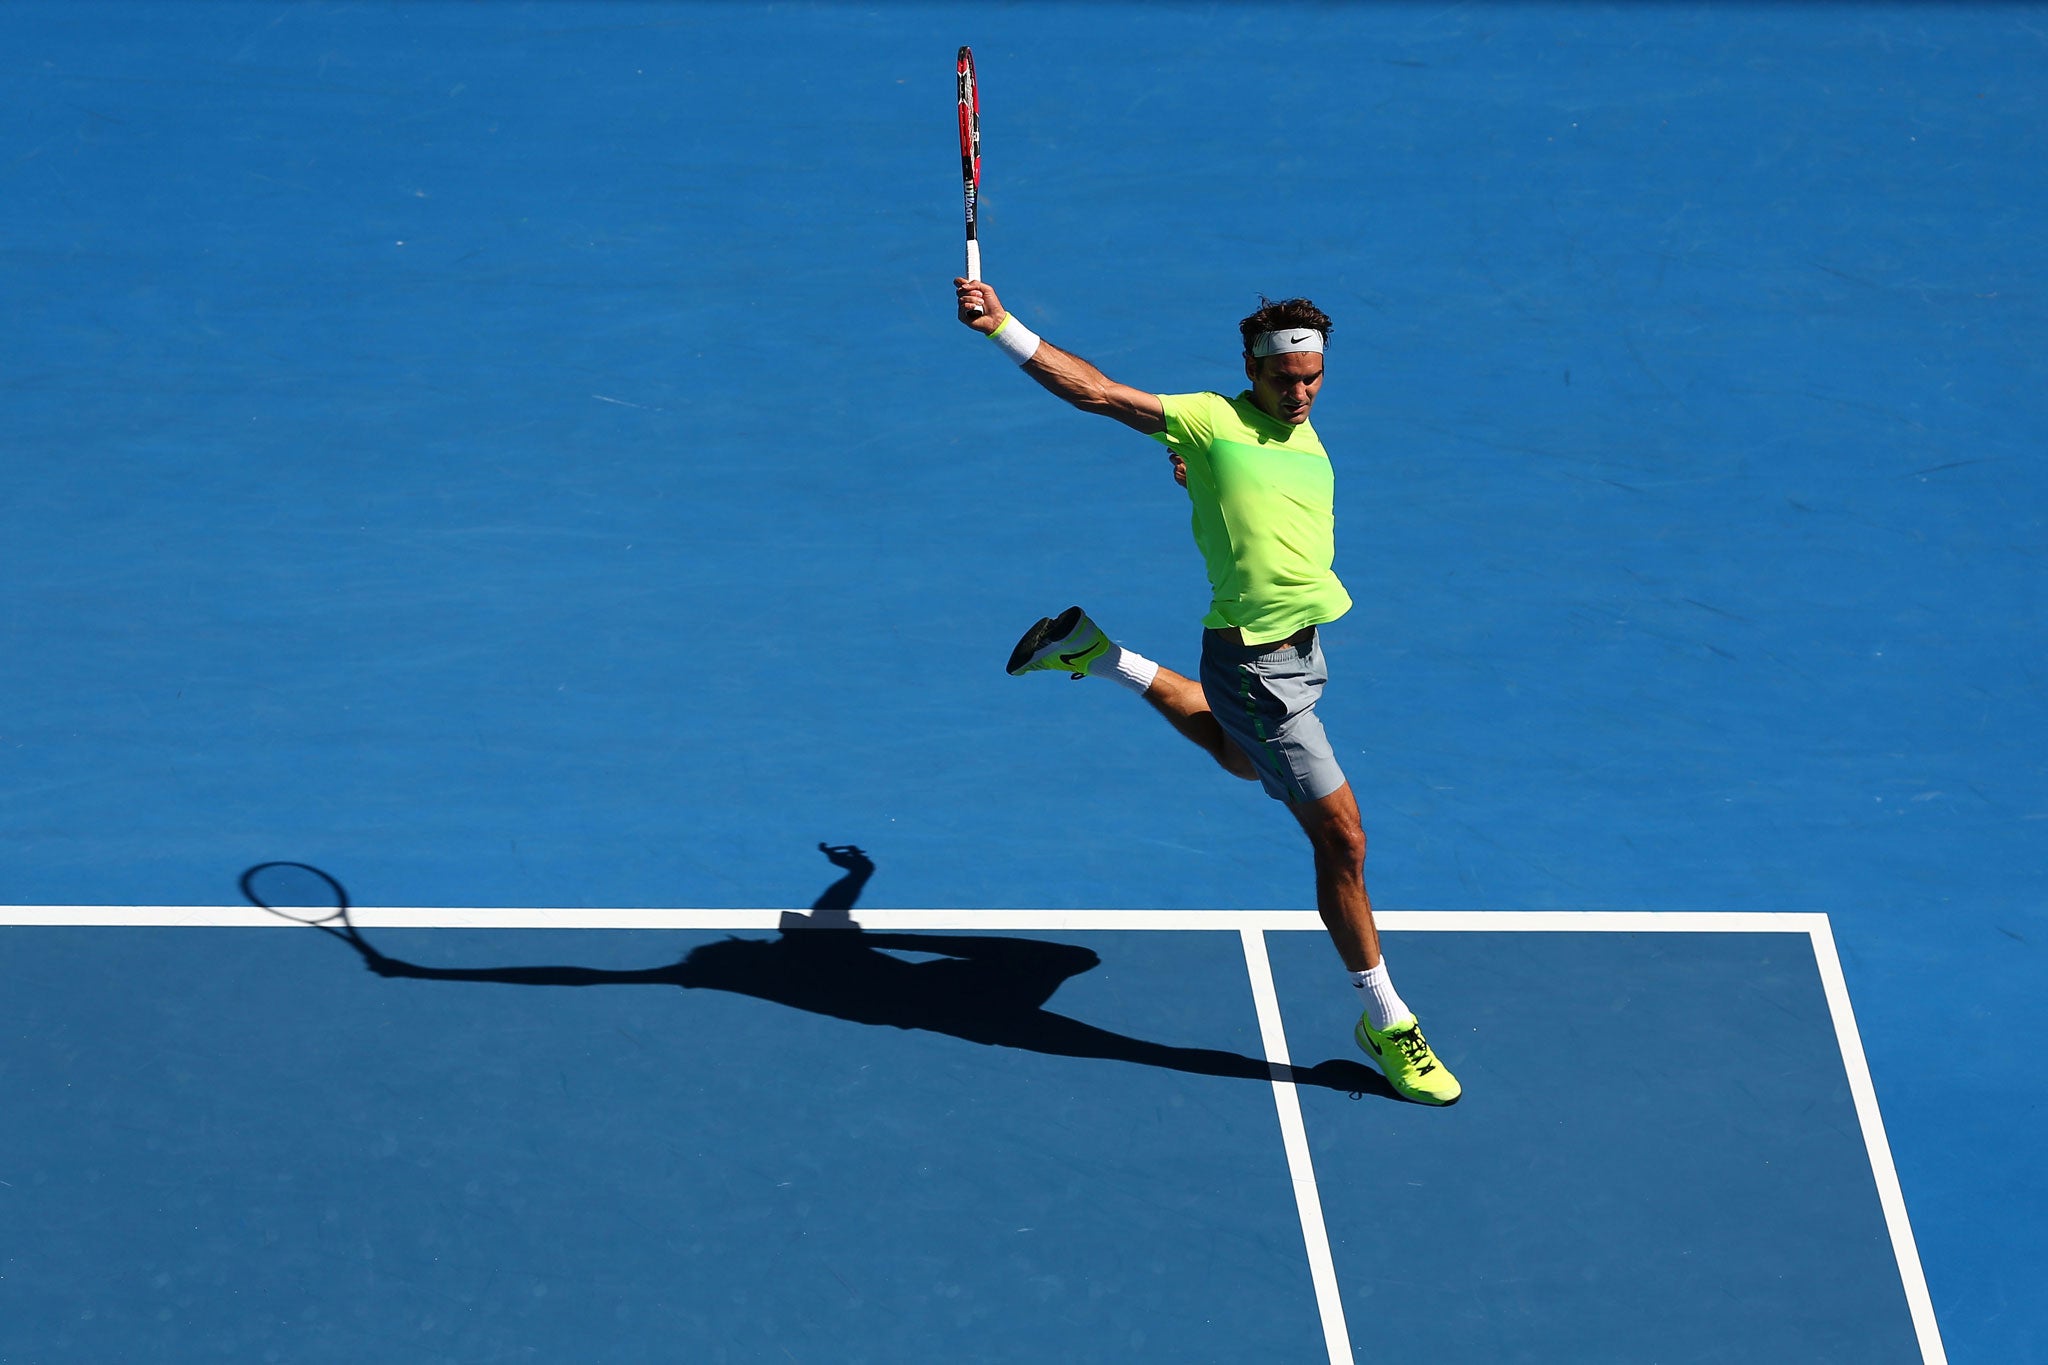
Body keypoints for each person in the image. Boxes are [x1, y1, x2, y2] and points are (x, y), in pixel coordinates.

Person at [954, 275, 1460, 1105]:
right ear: (1249, 370)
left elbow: (1249, 497)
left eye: (1313, 377)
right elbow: (1094, 391)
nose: (1300, 393)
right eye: (1283, 379)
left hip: (1299, 656)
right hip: (1256, 664)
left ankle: (1097, 653)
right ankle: (1388, 1019)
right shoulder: (1211, 419)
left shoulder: (1294, 437)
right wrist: (1001, 326)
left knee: (1237, 757)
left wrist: (1202, 482)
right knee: (1343, 839)